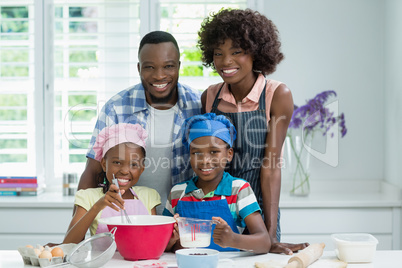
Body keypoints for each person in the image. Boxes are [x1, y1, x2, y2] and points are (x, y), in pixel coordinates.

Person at [197, 9, 308, 254]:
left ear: (256, 52)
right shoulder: (210, 97)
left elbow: (270, 167)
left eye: (237, 52)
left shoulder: (277, 95)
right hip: (218, 210)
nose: (226, 62)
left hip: (258, 211)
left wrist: (269, 236)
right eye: (219, 53)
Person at [77, 31, 201, 215]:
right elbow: (93, 171)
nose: (159, 76)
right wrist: (73, 236)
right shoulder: (116, 107)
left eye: (168, 66)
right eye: (150, 67)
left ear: (179, 67)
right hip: (128, 219)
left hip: (183, 218)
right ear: (139, 68)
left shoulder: (198, 105)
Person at [163, 113, 270, 254]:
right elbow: (161, 243)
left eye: (213, 152)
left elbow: (264, 242)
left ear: (229, 154)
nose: (205, 160)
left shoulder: (238, 190)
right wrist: (172, 240)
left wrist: (233, 239)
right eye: (196, 153)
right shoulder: (178, 192)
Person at [63, 123, 161, 244]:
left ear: (142, 169)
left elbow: (155, 239)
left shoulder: (149, 196)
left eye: (134, 164)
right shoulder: (88, 197)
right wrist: (97, 206)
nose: (125, 171)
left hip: (140, 262)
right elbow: (68, 244)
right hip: (103, 263)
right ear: (104, 164)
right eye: (117, 162)